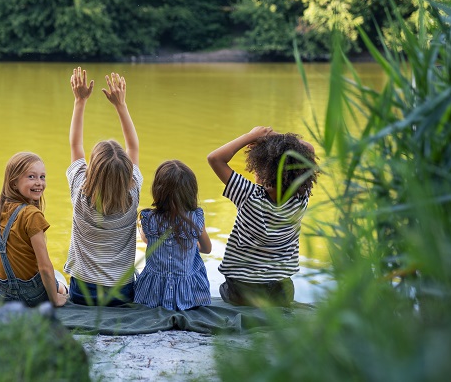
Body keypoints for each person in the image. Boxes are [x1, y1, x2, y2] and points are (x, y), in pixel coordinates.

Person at [207, 126, 318, 307]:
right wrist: (276, 138)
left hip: (243, 292)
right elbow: (309, 149)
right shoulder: (301, 195)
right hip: (281, 293)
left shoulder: (248, 195)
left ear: (264, 170)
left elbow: (215, 158)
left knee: (227, 289)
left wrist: (252, 136)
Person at [65, 67, 142, 306]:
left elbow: (75, 144)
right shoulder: (133, 192)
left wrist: (80, 101)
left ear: (92, 170)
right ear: (128, 173)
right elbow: (134, 147)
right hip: (121, 294)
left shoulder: (80, 191)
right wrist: (121, 105)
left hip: (82, 293)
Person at [0, 152, 68, 307]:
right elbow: (45, 267)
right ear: (14, 183)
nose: (39, 183)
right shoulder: (32, 215)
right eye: (31, 177)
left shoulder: (1, 206)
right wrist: (55, 300)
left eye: (42, 177)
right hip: (31, 296)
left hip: (4, 294)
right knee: (61, 282)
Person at [134, 160, 212, 310]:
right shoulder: (195, 219)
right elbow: (207, 249)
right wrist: (192, 243)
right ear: (191, 192)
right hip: (189, 295)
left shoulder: (149, 218)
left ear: (158, 191)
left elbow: (146, 239)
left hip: (153, 295)